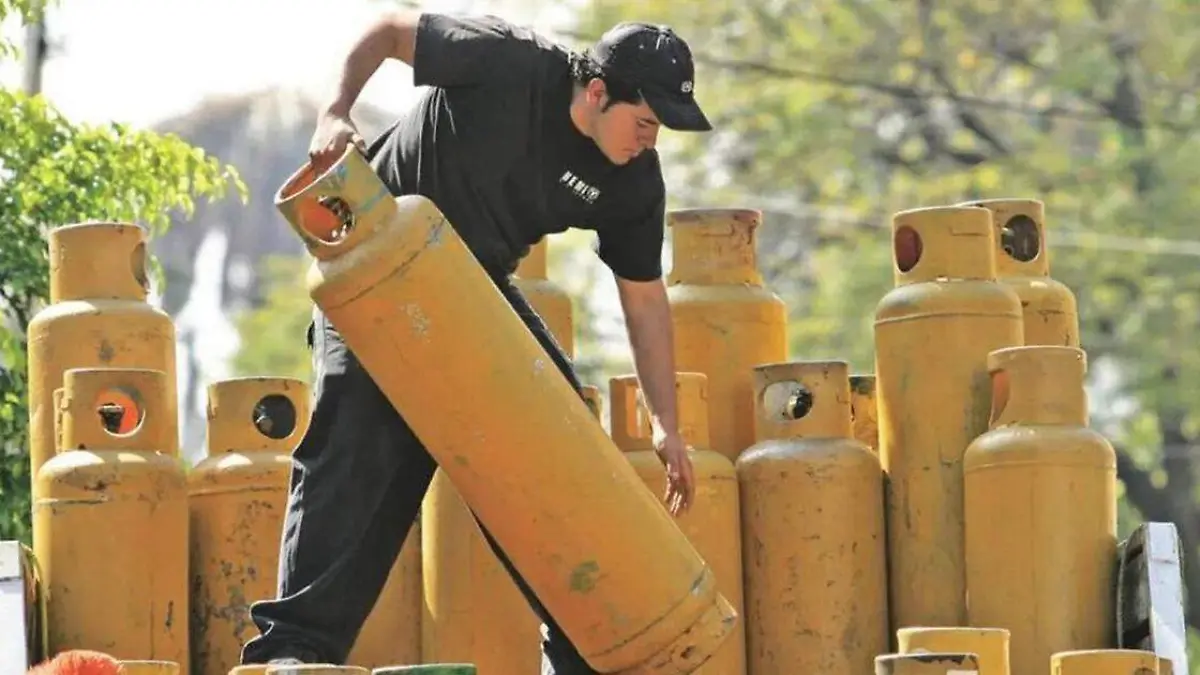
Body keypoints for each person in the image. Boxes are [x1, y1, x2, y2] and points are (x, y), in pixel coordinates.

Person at [242, 9, 712, 674]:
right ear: (598, 92)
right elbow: (389, 31)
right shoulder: (507, 61)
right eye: (645, 121)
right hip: (376, 268)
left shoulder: (633, 180)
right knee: (359, 439)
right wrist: (334, 113)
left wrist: (667, 424)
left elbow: (643, 300)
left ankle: (580, 655)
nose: (649, 139)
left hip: (474, 287)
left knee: (556, 440)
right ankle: (291, 648)